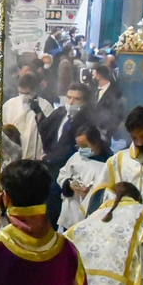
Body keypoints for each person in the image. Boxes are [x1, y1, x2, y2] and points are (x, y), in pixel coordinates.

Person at [39, 83, 95, 223]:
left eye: (77, 99)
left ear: (85, 102)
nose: (71, 102)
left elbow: (71, 146)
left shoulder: (87, 120)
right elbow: (45, 129)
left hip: (69, 167)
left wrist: (51, 157)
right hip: (50, 166)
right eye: (69, 98)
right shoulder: (60, 113)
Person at [55, 124, 111, 231]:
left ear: (96, 143)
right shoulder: (76, 157)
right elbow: (63, 174)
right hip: (70, 212)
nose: (81, 150)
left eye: (84, 146)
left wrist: (90, 193)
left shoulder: (107, 164)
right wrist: (69, 183)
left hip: (91, 217)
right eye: (78, 146)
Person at [2, 74, 52, 160]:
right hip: (14, 155)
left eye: (27, 93)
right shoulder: (9, 105)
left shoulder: (45, 106)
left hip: (36, 155)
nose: (23, 97)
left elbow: (49, 131)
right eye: (20, 93)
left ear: (35, 90)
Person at [89, 64, 125, 138]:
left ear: (98, 76)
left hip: (105, 133)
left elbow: (117, 115)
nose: (92, 78)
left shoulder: (115, 93)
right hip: (90, 131)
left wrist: (107, 132)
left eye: (93, 75)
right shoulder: (92, 90)